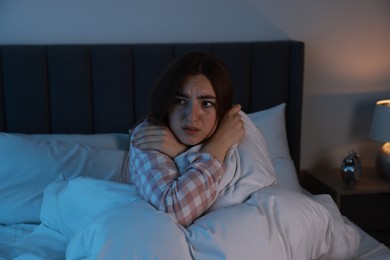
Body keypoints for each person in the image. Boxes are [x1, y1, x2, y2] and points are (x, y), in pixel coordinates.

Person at [125, 52, 245, 227]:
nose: (192, 117)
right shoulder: (150, 135)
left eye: (207, 104)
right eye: (180, 101)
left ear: (223, 108)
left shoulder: (236, 126)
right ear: (166, 102)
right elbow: (175, 211)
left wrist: (180, 153)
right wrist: (217, 147)